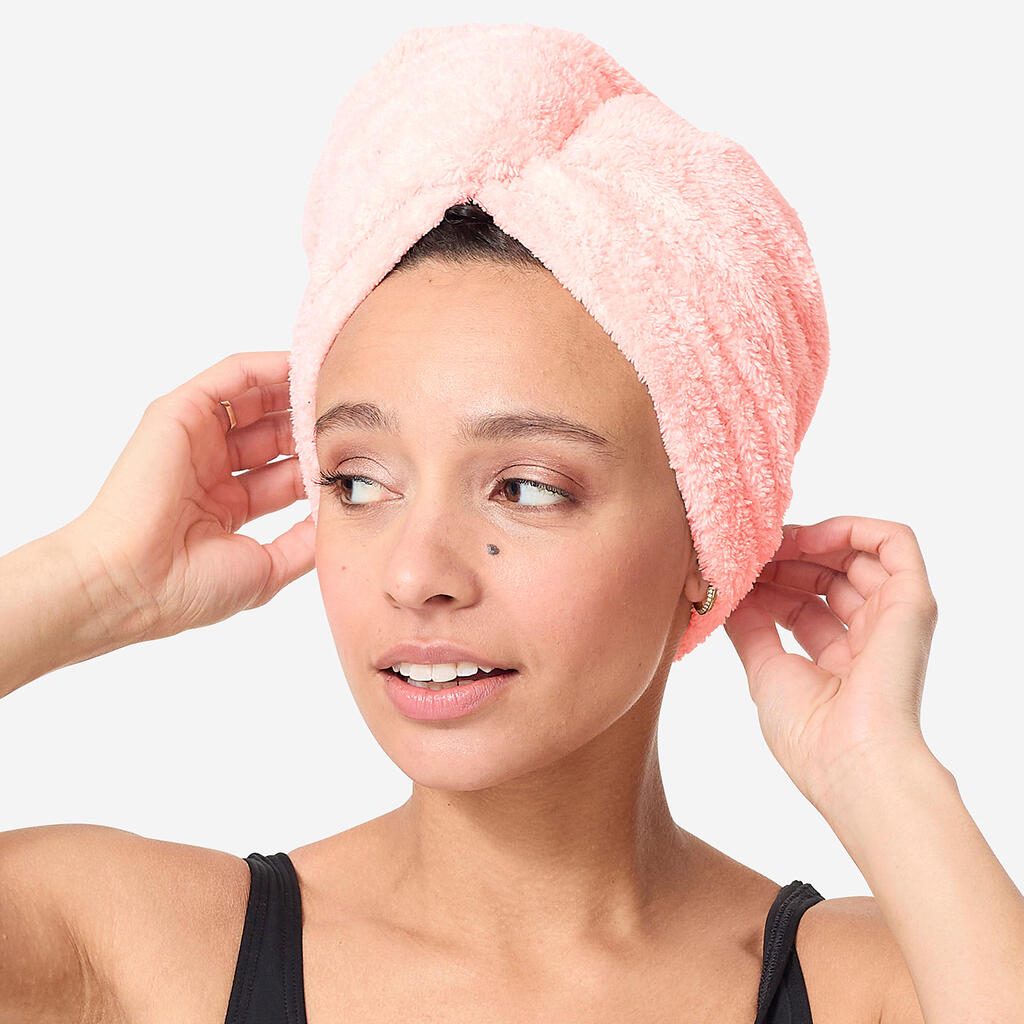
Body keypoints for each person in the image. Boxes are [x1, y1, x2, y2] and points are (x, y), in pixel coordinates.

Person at [3, 200, 1022, 1024]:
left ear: (707, 540)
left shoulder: (871, 987)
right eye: (358, 481)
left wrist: (878, 773)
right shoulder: (149, 953)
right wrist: (88, 584)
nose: (416, 573)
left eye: (525, 488)